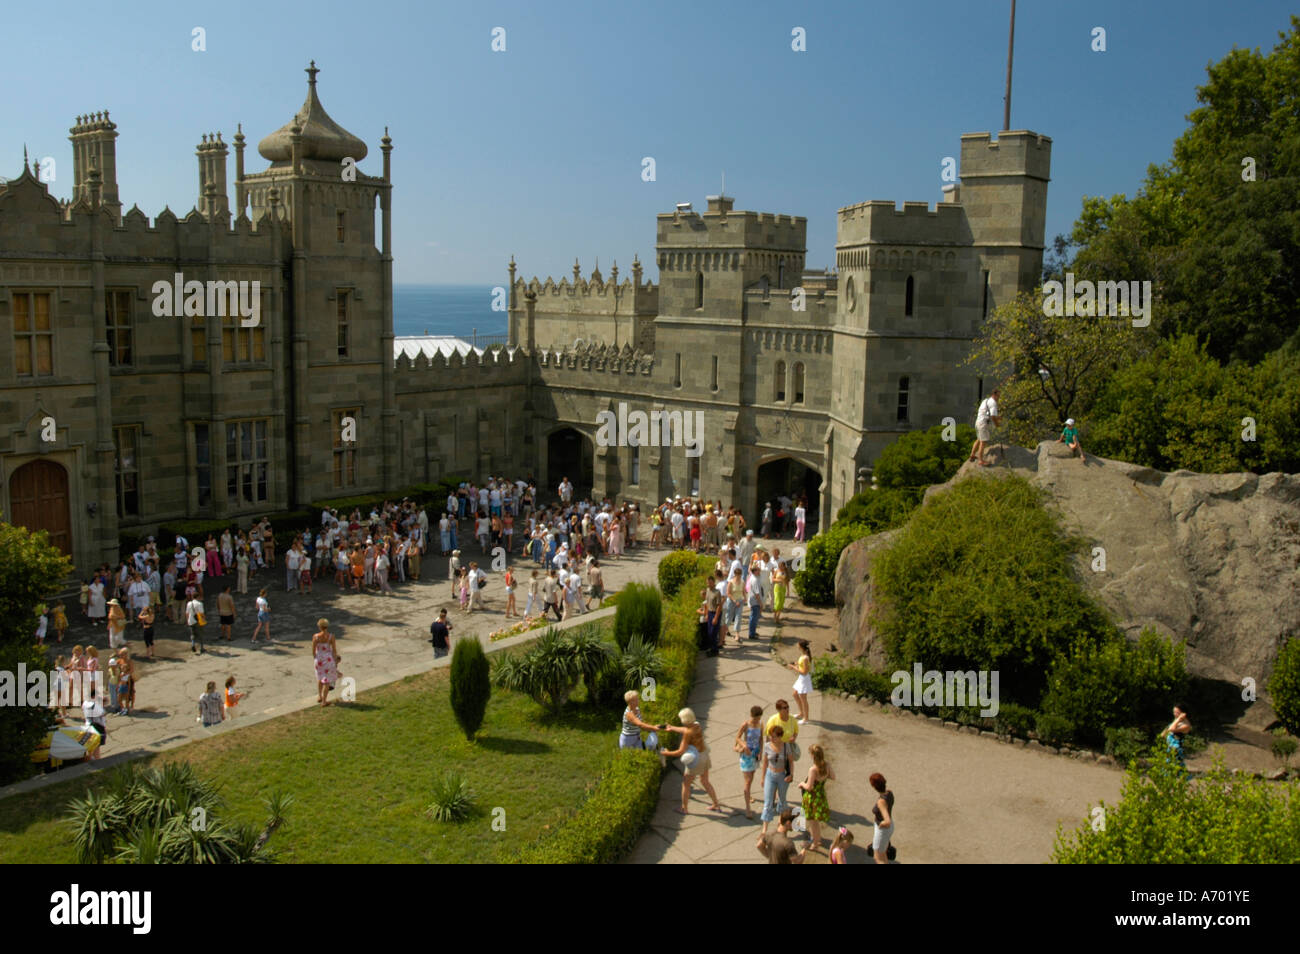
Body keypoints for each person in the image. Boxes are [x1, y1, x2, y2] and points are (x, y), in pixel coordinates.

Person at [661, 707, 722, 814]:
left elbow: (680, 751)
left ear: (684, 720)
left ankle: (684, 808)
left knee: (686, 784)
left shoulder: (687, 734)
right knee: (705, 781)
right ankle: (716, 804)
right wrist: (672, 728)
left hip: (695, 761)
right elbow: (686, 729)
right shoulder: (697, 725)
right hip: (704, 756)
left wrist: (666, 753)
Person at [798, 743, 834, 851]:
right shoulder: (826, 765)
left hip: (812, 797)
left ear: (813, 755)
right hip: (821, 795)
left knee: (813, 822)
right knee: (815, 821)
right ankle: (817, 839)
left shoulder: (813, 769)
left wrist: (801, 784)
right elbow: (833, 776)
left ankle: (815, 842)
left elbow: (809, 787)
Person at [759, 723, 793, 836]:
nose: (771, 738)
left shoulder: (786, 746)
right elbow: (764, 762)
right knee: (768, 802)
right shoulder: (768, 746)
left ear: (779, 737)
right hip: (770, 774)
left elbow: (791, 762)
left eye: (774, 736)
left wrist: (791, 774)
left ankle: (781, 825)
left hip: (782, 776)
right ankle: (764, 829)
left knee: (782, 801)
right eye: (771, 736)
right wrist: (763, 777)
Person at [735, 705, 765, 819]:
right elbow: (737, 737)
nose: (757, 720)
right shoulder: (746, 725)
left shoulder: (760, 724)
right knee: (747, 782)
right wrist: (744, 745)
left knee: (751, 778)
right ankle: (748, 808)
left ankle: (749, 795)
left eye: (759, 718)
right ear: (752, 716)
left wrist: (761, 752)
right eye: (756, 718)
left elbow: (761, 739)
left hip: (755, 754)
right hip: (746, 756)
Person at [765, 698, 800, 790]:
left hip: (787, 749)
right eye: (784, 708)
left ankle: (782, 794)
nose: (787, 709)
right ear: (779, 710)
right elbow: (768, 736)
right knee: (776, 774)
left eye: (788, 707)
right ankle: (774, 795)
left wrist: (794, 738)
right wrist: (769, 750)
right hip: (776, 750)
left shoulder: (792, 719)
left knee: (786, 775)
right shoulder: (773, 720)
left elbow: (796, 731)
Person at [969, 387, 1002, 466]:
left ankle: (972, 454)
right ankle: (981, 461)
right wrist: (997, 424)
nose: (999, 398)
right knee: (983, 442)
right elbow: (993, 417)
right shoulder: (993, 403)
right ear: (994, 395)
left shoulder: (986, 400)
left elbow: (987, 413)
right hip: (983, 424)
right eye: (998, 396)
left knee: (979, 439)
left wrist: (998, 417)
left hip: (978, 422)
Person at [313, 619, 340, 707]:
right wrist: (335, 660)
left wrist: (316, 657)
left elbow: (313, 650)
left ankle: (320, 696)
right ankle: (324, 701)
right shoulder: (331, 636)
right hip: (328, 659)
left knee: (320, 678)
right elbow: (334, 650)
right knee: (327, 681)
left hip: (319, 659)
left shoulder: (316, 636)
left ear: (319, 627)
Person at [869, 772, 895, 864]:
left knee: (877, 858)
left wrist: (880, 825)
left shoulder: (881, 801)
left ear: (874, 787)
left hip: (883, 830)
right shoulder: (889, 792)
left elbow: (887, 821)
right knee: (883, 853)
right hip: (889, 827)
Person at [789, 639, 813, 723]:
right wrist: (796, 664)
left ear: (802, 647)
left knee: (803, 699)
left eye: (798, 645)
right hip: (801, 678)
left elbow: (804, 672)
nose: (797, 646)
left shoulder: (805, 658)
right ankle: (801, 713)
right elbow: (802, 665)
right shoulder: (803, 655)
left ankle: (806, 718)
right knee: (795, 694)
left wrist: (794, 667)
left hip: (804, 679)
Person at [114, 649, 135, 716]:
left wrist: (125, 674)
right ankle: (124, 709)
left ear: (126, 654)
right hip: (121, 679)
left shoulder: (129, 661)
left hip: (128, 679)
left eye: (122, 654)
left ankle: (129, 707)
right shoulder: (120, 660)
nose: (120, 655)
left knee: (130, 693)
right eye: (120, 654)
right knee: (120, 696)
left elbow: (132, 670)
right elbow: (115, 665)